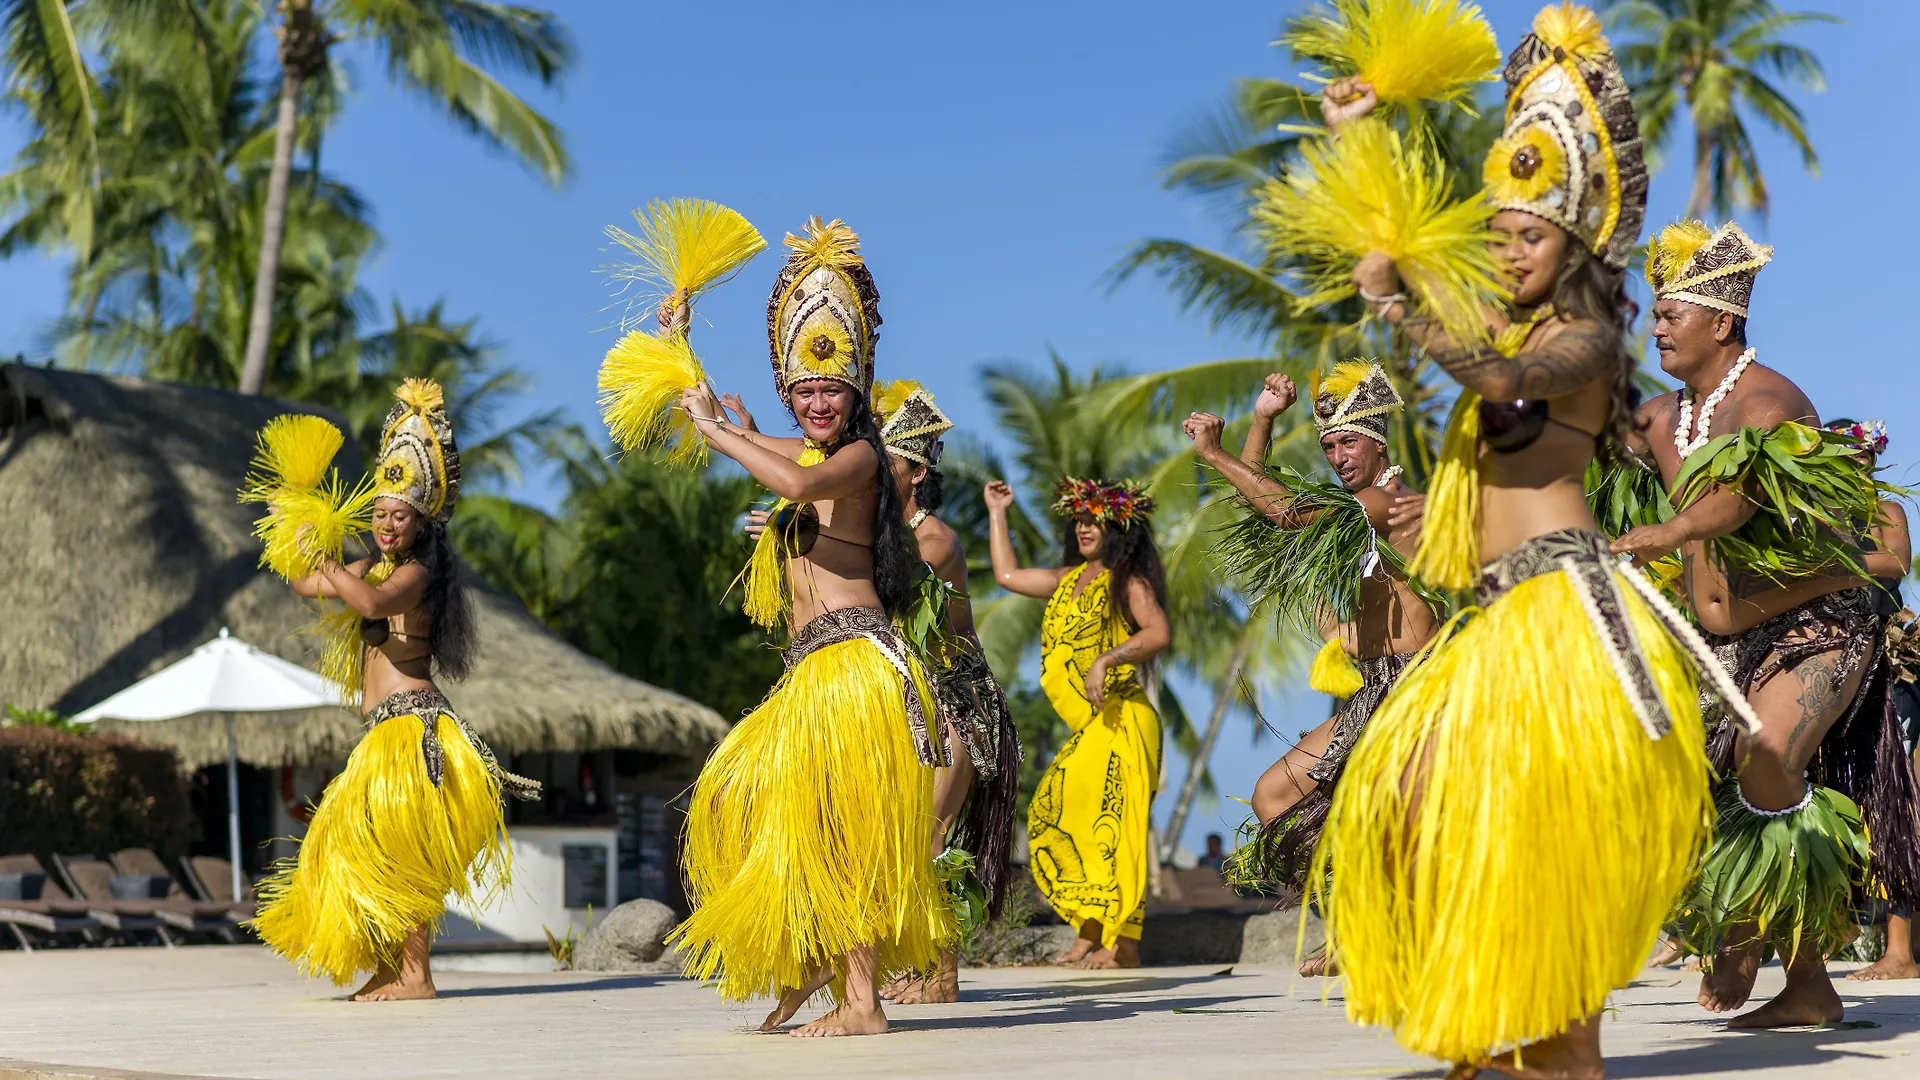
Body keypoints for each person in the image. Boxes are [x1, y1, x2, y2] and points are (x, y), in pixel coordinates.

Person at [1320, 7, 1753, 1076]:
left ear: (1576, 245)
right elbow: (1411, 258)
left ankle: (1565, 1050)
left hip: (1566, 616)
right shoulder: (1498, 321)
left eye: (1534, 234)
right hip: (1492, 617)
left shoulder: (1588, 340)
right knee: (1414, 810)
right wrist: (1358, 140)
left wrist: (1406, 308)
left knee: (1548, 838)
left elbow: (1505, 386)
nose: (1512, 249)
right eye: (1501, 232)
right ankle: (1502, 1022)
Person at [1611, 224, 1919, 1026]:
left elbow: (1737, 494)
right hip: (1727, 638)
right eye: (1653, 313)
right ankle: (1811, 988)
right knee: (1682, 784)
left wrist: (1672, 533)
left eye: (1672, 313)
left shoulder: (1769, 403)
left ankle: (1749, 926)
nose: (1657, 327)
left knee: (1770, 752)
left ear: (1722, 322)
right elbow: (1570, 449)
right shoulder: (1659, 418)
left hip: (1821, 620)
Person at [667, 218, 953, 1038]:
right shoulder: (805, 445)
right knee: (737, 803)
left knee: (845, 833)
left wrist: (722, 432)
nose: (819, 401)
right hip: (809, 672)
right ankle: (810, 964)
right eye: (805, 392)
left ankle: (861, 1004)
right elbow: (732, 426)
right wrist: (684, 347)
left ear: (857, 395)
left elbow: (789, 478)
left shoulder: (860, 459)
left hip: (856, 667)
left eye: (832, 390)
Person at [252, 379, 540, 1002]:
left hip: (414, 728)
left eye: (398, 515)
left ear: (420, 520)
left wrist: (330, 560)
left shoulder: (415, 574)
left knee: (404, 850)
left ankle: (416, 976)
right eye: (379, 514)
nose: (385, 524)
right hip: (382, 730)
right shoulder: (372, 564)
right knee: (361, 848)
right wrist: (296, 519)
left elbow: (370, 603)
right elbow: (308, 586)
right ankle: (389, 969)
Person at [736, 379, 1020, 1006]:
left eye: (877, 460)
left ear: (914, 472)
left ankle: (939, 972)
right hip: (900, 688)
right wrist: (746, 430)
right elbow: (808, 461)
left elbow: (861, 575)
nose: (853, 467)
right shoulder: (867, 511)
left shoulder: (931, 539)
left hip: (955, 701)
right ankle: (870, 964)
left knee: (926, 834)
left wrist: (797, 522)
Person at [1181, 363, 1437, 977]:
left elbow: (1285, 513)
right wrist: (1263, 420)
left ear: (1378, 440)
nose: (1337, 455)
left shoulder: (1385, 503)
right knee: (1276, 795)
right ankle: (1356, 918)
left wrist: (1214, 454)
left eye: (1349, 441)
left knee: (1396, 825)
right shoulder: (1355, 514)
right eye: (1328, 445)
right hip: (1376, 685)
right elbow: (1264, 501)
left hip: (1415, 687)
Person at [986, 475, 1170, 969]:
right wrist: (999, 511)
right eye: (1080, 519)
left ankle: (1122, 944)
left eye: (1096, 519)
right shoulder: (1068, 579)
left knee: (1117, 827)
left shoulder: (1126, 580)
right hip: (1093, 727)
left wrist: (1107, 659)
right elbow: (1006, 576)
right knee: (1058, 816)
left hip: (1125, 718)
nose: (1084, 527)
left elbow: (1157, 632)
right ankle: (1091, 930)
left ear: (1119, 526)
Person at [1835, 420, 1920, 983]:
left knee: (1898, 799)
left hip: (1891, 667)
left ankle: (1900, 952)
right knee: (1833, 797)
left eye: (1861, 456)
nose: (1854, 466)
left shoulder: (1885, 511)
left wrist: (1826, 559)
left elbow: (1896, 562)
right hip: (1832, 668)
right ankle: (1830, 930)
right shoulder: (1810, 518)